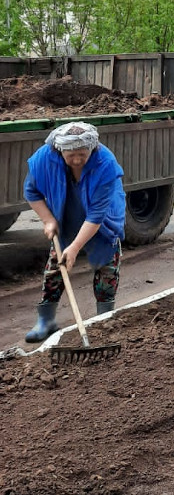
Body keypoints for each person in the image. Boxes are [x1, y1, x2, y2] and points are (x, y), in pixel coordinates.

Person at [23, 122, 126, 343]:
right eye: (71, 155)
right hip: (66, 212)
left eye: (82, 154)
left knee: (107, 266)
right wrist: (48, 220)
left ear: (92, 149)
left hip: (102, 221)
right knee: (56, 266)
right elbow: (31, 191)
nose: (77, 160)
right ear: (60, 150)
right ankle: (46, 320)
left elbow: (97, 214)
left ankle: (103, 319)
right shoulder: (44, 159)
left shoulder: (105, 163)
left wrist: (76, 247)